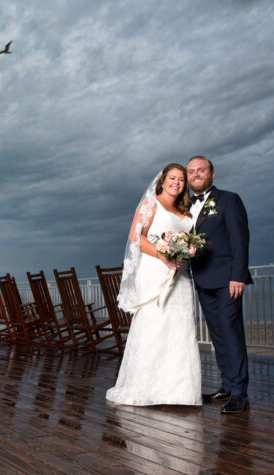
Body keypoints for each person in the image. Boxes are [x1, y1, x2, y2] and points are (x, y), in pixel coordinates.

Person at [106, 163, 202, 406]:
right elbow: (135, 236)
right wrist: (162, 254)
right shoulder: (151, 203)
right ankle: (145, 390)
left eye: (181, 180)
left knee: (181, 327)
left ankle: (180, 393)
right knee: (155, 325)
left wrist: (187, 249)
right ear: (162, 180)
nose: (176, 183)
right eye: (172, 178)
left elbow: (189, 239)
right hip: (154, 271)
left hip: (180, 276)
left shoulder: (185, 210)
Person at [187, 156, 251, 414]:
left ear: (212, 174)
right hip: (203, 280)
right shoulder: (186, 207)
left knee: (232, 334)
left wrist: (238, 275)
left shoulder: (229, 199)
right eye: (191, 171)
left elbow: (239, 239)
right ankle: (226, 385)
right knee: (218, 336)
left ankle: (239, 393)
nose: (196, 174)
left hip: (227, 280)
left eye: (201, 170)